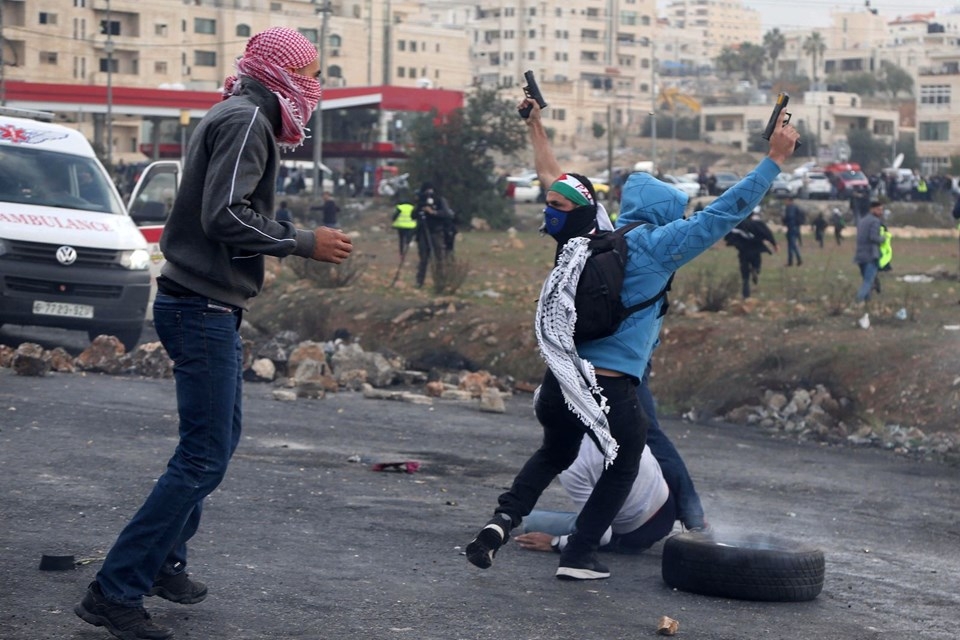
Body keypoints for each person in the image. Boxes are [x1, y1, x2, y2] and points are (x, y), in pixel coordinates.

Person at [74, 27, 354, 640]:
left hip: (205, 303)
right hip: (199, 307)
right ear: (279, 70)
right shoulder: (248, 120)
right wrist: (302, 242)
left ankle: (164, 562)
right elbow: (223, 215)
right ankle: (114, 590)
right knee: (202, 455)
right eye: (307, 71)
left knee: (217, 443)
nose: (315, 84)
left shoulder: (241, 111)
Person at [465, 96, 798, 581]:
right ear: (666, 215)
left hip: (561, 380)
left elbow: (553, 182)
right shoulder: (660, 246)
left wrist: (536, 125)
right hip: (611, 382)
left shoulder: (595, 234)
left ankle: (499, 523)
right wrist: (774, 161)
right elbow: (724, 213)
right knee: (630, 454)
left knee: (554, 453)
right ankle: (581, 555)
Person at [514, 438, 676, 556]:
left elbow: (601, 535)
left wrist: (555, 543)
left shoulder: (571, 462)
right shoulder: (624, 419)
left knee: (531, 521)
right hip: (667, 507)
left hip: (633, 535)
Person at [724, 205, 778, 299]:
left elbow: (728, 235)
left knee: (745, 275)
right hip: (755, 250)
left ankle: (746, 294)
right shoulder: (758, 224)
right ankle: (756, 270)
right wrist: (774, 244)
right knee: (757, 264)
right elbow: (767, 233)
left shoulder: (739, 224)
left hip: (743, 251)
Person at [413, 181, 450, 289]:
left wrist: (433, 212)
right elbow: (413, 215)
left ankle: (440, 282)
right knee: (423, 259)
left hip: (436, 232)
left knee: (439, 258)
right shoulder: (421, 201)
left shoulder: (439, 200)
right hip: (422, 233)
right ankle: (419, 281)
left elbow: (447, 214)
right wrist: (420, 208)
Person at [855, 199, 884, 303]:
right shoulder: (875, 221)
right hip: (871, 255)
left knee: (866, 280)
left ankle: (867, 302)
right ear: (872, 209)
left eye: (882, 210)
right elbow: (873, 237)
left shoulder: (862, 221)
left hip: (860, 255)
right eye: (879, 209)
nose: (881, 212)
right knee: (868, 281)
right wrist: (882, 238)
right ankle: (858, 300)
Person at [391, 193, 417, 258]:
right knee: (408, 238)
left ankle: (401, 253)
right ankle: (407, 249)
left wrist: (393, 222)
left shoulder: (400, 207)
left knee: (401, 239)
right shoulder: (412, 207)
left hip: (401, 226)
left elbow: (394, 216)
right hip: (410, 226)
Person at [782, 195, 804, 266]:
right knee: (793, 245)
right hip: (795, 227)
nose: (785, 202)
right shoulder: (796, 207)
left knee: (791, 245)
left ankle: (790, 261)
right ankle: (799, 259)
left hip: (792, 228)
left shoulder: (790, 208)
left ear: (789, 200)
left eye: (786, 200)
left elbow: (790, 217)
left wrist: (784, 220)